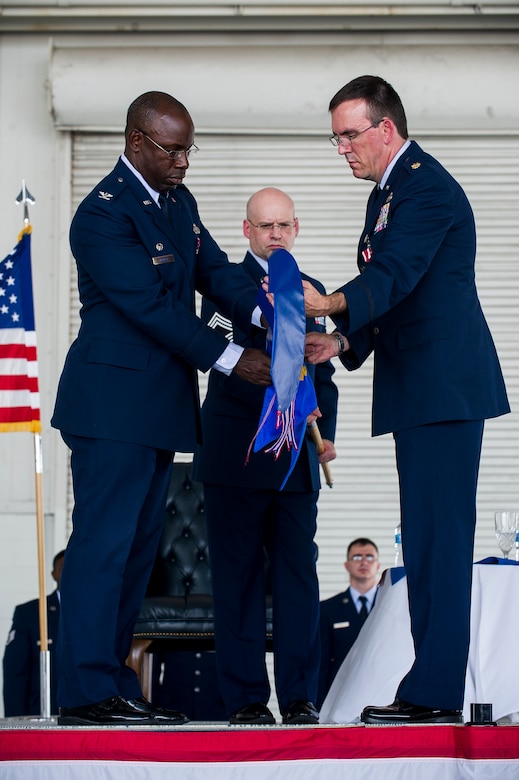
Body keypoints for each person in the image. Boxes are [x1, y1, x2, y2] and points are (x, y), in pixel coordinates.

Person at [50, 91, 271, 727]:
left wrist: (267, 310)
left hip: (155, 410)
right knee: (102, 549)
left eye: (188, 149)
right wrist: (231, 359)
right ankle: (86, 693)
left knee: (137, 553)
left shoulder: (178, 202)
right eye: (172, 149)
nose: (183, 162)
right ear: (136, 141)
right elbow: (150, 307)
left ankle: (110, 684)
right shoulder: (102, 216)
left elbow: (215, 272)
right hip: (110, 408)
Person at [302, 75, 510, 725]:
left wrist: (331, 304)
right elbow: (391, 290)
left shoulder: (424, 186)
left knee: (438, 545)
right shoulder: (389, 191)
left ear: (384, 129)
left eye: (348, 134)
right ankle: (429, 686)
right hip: (421, 389)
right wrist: (339, 341)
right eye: (335, 136)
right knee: (422, 543)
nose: (341, 148)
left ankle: (433, 692)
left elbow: (391, 275)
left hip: (442, 389)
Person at [193, 187, 338, 725]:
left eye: (284, 226)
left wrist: (325, 433)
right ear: (246, 230)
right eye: (264, 226)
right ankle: (247, 700)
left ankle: (301, 696)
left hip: (298, 459)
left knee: (300, 579)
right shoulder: (224, 284)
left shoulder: (312, 292)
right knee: (239, 581)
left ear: (295, 229)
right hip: (237, 455)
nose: (275, 234)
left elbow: (321, 377)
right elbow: (221, 359)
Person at [317, 538, 379, 708]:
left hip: (382, 696)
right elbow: (322, 664)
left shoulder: (389, 605)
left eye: (370, 557)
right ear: (347, 565)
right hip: (340, 697)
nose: (364, 562)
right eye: (357, 557)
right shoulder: (327, 610)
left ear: (378, 565)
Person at [3, 550, 65, 717]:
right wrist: (16, 723)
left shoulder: (96, 613)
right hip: (43, 717)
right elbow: (15, 674)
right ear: (53, 574)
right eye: (64, 567)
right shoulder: (31, 614)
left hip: (87, 722)